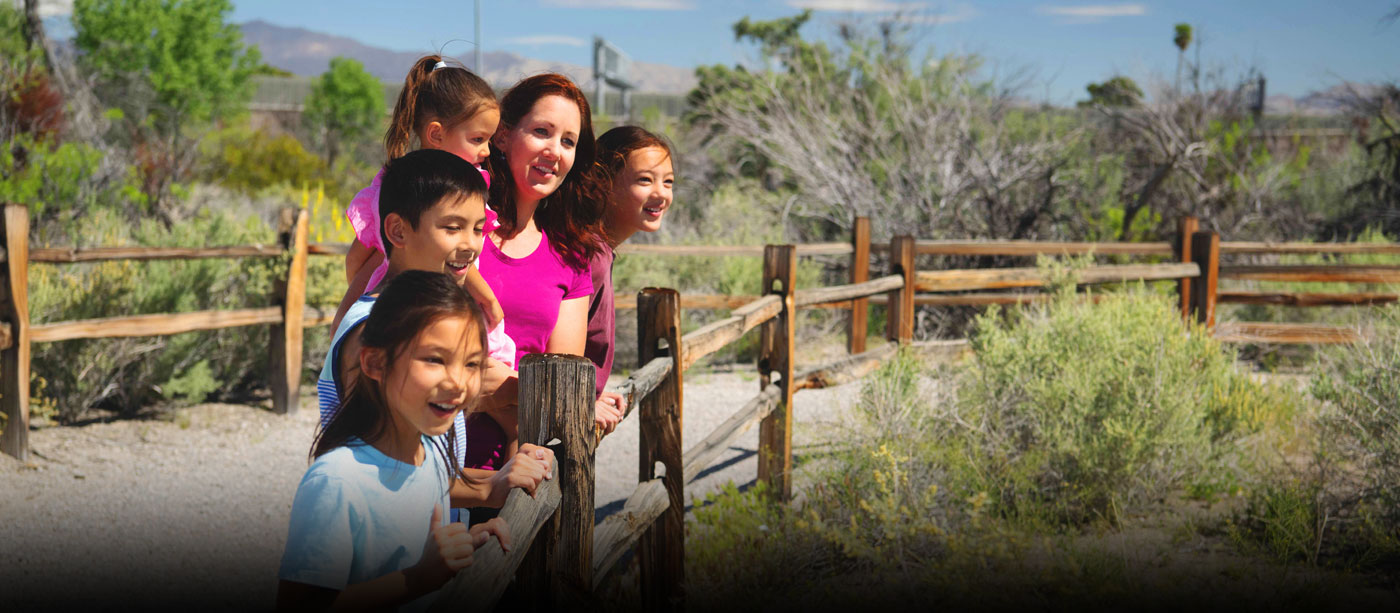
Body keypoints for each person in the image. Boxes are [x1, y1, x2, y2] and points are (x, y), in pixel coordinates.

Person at [278, 271, 545, 611]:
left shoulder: (428, 451)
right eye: (435, 359)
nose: (457, 383)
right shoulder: (336, 481)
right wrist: (416, 579)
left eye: (472, 364)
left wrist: (478, 521)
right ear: (375, 362)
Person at [317, 148, 543, 522]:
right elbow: (371, 478)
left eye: (478, 229)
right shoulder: (374, 329)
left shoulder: (423, 318)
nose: (470, 244)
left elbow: (418, 472)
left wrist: (491, 486)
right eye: (452, 227)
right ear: (398, 230)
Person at [466, 73, 623, 472]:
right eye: (541, 132)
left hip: (519, 480)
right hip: (429, 474)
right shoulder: (456, 228)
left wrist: (491, 388)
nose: (554, 151)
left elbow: (560, 390)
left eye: (568, 141)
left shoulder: (571, 259)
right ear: (502, 136)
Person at [336, 55, 512, 369]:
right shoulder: (410, 191)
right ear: (436, 134)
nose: (486, 151)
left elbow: (355, 260)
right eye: (477, 139)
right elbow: (361, 257)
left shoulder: (418, 184)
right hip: (413, 303)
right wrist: (485, 296)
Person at [586, 127, 677, 420]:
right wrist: (581, 401)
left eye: (669, 182)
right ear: (603, 182)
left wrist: (592, 395)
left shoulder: (599, 248)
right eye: (645, 180)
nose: (661, 193)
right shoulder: (589, 253)